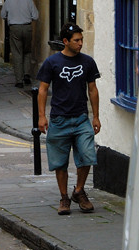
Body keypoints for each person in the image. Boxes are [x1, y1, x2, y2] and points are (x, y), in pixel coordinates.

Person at [37, 23, 101, 216]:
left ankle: (79, 191)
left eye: (81, 40)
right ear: (65, 41)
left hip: (81, 118)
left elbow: (92, 89)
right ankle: (64, 197)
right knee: (59, 162)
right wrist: (41, 116)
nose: (81, 43)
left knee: (88, 155)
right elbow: (43, 89)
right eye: (77, 40)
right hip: (59, 119)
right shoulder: (52, 62)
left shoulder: (88, 62)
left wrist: (96, 116)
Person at [0, 0, 39, 88]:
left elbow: (3, 15)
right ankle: (27, 74)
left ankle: (19, 80)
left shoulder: (9, 1)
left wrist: (11, 17)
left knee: (17, 53)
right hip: (27, 27)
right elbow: (35, 16)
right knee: (27, 51)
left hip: (15, 28)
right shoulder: (29, 1)